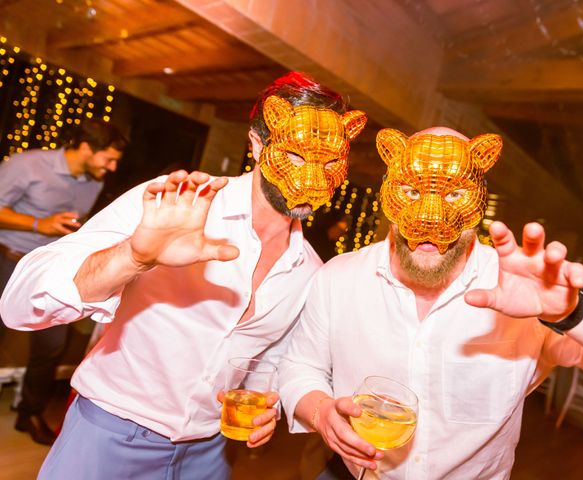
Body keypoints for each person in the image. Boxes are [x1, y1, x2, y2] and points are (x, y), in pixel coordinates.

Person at [0, 71, 367, 479]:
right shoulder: (177, 203)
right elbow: (20, 305)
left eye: (331, 161)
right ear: (258, 144)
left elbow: (271, 355)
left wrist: (268, 400)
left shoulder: (310, 270)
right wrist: (133, 257)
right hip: (110, 435)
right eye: (297, 156)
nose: (313, 176)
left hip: (210, 453)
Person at [278, 126, 583, 479]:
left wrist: (572, 313)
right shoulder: (338, 277)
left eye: (454, 195)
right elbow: (300, 367)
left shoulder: (526, 292)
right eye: (411, 190)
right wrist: (322, 413)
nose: (431, 217)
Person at [0, 118, 127, 445]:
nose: (111, 167)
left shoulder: (93, 182)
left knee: (52, 346)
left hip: (50, 274)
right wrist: (38, 224)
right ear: (86, 148)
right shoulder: (27, 164)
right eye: (108, 159)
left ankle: (30, 412)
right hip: (7, 258)